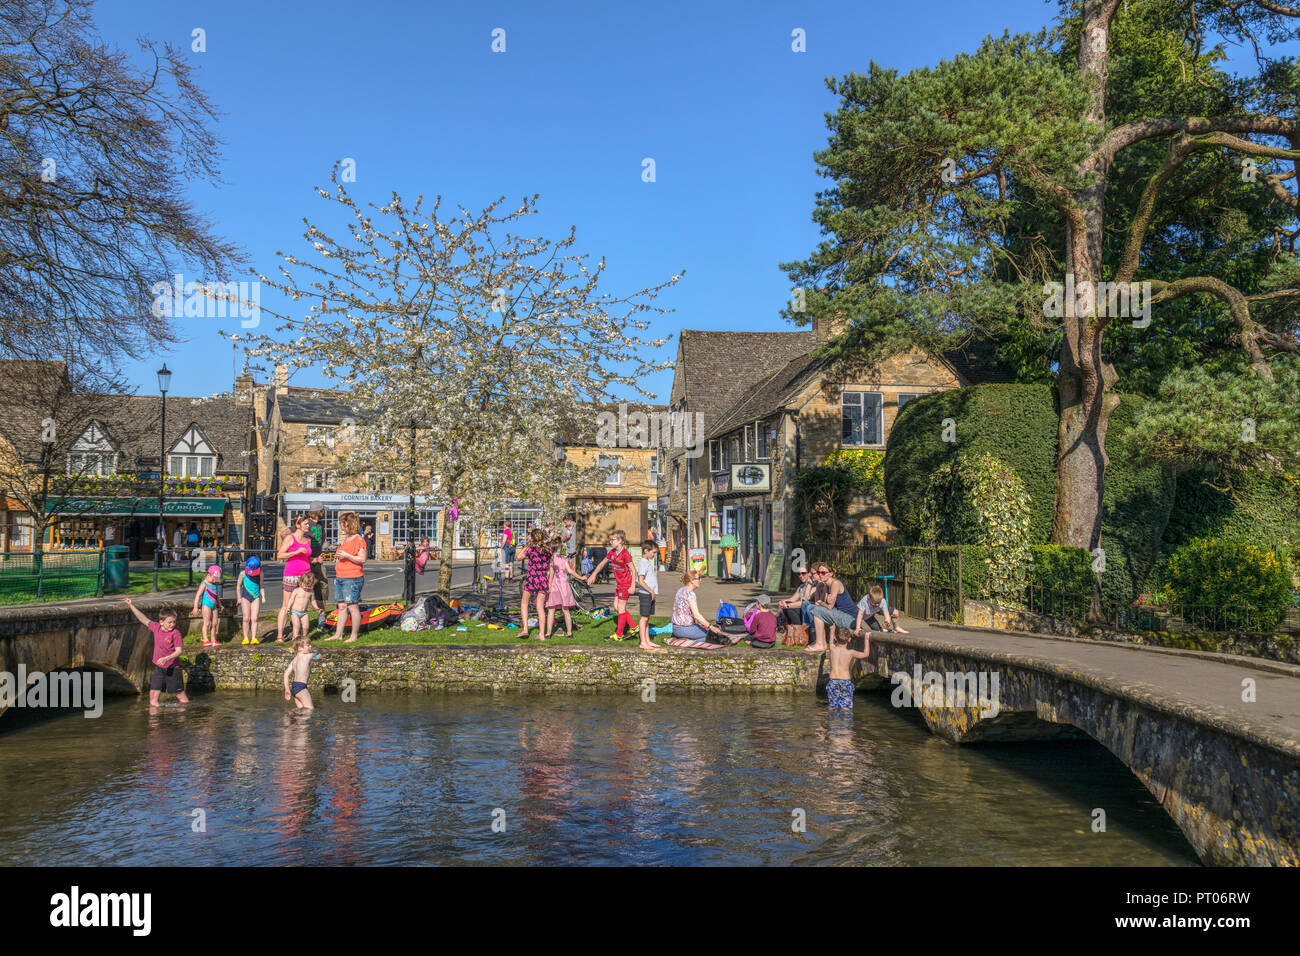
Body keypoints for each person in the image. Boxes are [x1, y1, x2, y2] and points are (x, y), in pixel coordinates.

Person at [124, 598, 189, 706]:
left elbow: (179, 651)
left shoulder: (175, 633)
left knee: (179, 695)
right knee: (153, 696)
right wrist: (131, 605)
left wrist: (166, 658)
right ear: (161, 622)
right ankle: (154, 721)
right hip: (159, 668)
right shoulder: (156, 627)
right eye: (169, 622)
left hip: (172, 668)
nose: (172, 624)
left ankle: (182, 719)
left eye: (174, 622)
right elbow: (143, 619)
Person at [587, 530, 635, 641]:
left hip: (625, 584)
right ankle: (633, 627)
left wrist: (632, 586)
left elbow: (633, 570)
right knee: (616, 607)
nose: (610, 542)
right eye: (610, 539)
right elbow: (602, 563)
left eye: (612, 540)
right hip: (619, 584)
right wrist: (593, 574)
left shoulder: (625, 554)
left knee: (621, 608)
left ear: (620, 541)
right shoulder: (612, 552)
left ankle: (619, 635)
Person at [330, 511, 367, 643]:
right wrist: (338, 575)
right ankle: (338, 634)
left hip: (352, 578)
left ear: (347, 524)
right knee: (341, 607)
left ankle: (354, 636)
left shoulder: (358, 539)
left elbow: (362, 559)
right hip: (341, 577)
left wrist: (347, 556)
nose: (340, 526)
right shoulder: (346, 539)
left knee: (352, 606)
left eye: (341, 523)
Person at [805, 563, 858, 653]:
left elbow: (829, 607)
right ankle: (821, 642)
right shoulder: (827, 585)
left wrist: (821, 602)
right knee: (816, 610)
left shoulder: (835, 583)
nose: (820, 574)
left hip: (850, 619)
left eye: (823, 572)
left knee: (816, 610)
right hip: (842, 616)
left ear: (831, 573)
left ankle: (820, 643)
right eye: (819, 572)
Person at [276, 516, 312, 642]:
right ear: (298, 525)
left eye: (308, 524)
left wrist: (315, 560)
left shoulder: (308, 540)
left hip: (306, 575)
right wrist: (296, 552)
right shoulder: (290, 538)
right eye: (306, 523)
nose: (308, 526)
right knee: (286, 605)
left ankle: (298, 635)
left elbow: (306, 557)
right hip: (292, 574)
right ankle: (280, 636)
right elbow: (280, 554)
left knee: (302, 605)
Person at [670, 569, 726, 642]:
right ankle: (687, 640)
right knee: (712, 636)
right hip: (685, 629)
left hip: (675, 629)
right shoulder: (690, 594)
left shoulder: (680, 590)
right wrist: (711, 627)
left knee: (706, 631)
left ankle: (683, 638)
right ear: (692, 580)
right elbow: (696, 615)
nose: (701, 580)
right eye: (698, 578)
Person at [826, 626, 869, 710]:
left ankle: (833, 722)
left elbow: (831, 639)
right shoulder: (850, 652)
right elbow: (866, 654)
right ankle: (846, 722)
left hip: (833, 681)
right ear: (849, 639)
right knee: (846, 707)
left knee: (832, 706)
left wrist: (832, 629)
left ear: (836, 638)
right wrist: (866, 639)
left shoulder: (832, 648)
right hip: (845, 681)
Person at [519, 528, 551, 640]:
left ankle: (525, 629)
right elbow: (551, 565)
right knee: (540, 607)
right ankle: (542, 634)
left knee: (524, 603)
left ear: (532, 538)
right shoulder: (548, 549)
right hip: (543, 578)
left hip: (532, 577)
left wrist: (526, 545)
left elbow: (518, 557)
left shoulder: (531, 549)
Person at [544, 534, 576, 640]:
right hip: (564, 585)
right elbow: (570, 571)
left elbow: (550, 572)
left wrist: (547, 582)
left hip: (553, 585)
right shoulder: (563, 558)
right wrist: (581, 577)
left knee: (551, 609)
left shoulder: (550, 559)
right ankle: (569, 632)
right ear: (560, 547)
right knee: (565, 610)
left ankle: (548, 633)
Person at [633, 538, 662, 651]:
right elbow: (640, 581)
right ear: (646, 551)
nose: (654, 555)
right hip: (645, 594)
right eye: (653, 552)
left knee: (647, 618)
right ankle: (643, 642)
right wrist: (650, 591)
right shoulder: (643, 563)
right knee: (644, 618)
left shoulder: (647, 563)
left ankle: (647, 640)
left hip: (650, 594)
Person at [306, 504, 330, 628]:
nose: (324, 512)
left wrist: (320, 549)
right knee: (305, 588)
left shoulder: (320, 524)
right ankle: (300, 617)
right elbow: (286, 534)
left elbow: (323, 537)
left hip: (319, 561)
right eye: (322, 510)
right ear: (317, 511)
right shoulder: (306, 523)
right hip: (307, 562)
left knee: (322, 587)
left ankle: (322, 618)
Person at [190, 565, 222, 648]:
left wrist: (220, 604)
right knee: (207, 623)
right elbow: (197, 596)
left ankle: (213, 639)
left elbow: (216, 596)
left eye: (216, 578)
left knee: (214, 623)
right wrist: (195, 607)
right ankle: (205, 639)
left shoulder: (214, 585)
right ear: (208, 575)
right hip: (206, 606)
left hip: (214, 606)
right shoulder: (204, 584)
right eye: (214, 578)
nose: (215, 580)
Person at [236, 556, 263, 646]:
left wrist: (263, 596)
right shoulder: (243, 574)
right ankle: (245, 638)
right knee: (246, 618)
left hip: (256, 597)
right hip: (245, 597)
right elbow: (238, 586)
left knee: (254, 618)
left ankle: (254, 637)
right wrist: (239, 597)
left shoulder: (260, 574)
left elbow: (261, 586)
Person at [283, 635, 315, 711]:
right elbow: (316, 656)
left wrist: (287, 689)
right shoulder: (308, 656)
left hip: (294, 687)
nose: (310, 646)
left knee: (300, 709)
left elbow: (286, 675)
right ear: (300, 648)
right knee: (310, 708)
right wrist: (318, 656)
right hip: (301, 687)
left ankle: (295, 721)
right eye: (308, 645)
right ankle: (294, 717)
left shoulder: (293, 661)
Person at [287, 568, 316, 642]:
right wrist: (288, 608)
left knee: (306, 627)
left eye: (309, 585)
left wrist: (317, 608)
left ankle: (303, 638)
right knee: (296, 626)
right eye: (305, 585)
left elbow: (313, 600)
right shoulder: (297, 590)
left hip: (304, 612)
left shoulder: (311, 592)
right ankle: (295, 638)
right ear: (300, 582)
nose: (307, 587)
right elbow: (291, 599)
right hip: (295, 611)